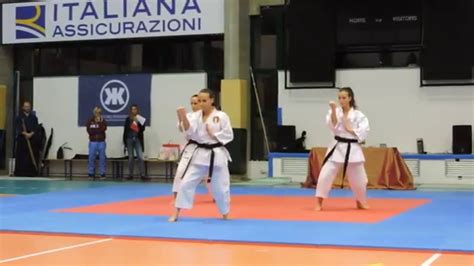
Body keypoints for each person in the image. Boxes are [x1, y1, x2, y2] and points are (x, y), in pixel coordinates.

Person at [169, 89, 234, 222]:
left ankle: (225, 213)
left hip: (216, 155)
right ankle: (176, 213)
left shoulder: (221, 116)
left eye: (204, 100)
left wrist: (214, 134)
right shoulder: (194, 116)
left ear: (212, 100)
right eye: (199, 101)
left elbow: (229, 135)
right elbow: (187, 130)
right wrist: (182, 116)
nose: (202, 103)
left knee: (221, 189)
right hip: (199, 155)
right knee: (185, 184)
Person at [314, 87, 370, 211]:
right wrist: (333, 110)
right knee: (325, 175)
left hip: (353, 149)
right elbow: (333, 124)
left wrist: (351, 129)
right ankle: (318, 202)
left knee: (359, 180)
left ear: (350, 98)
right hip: (337, 147)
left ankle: (360, 201)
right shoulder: (335, 112)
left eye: (344, 97)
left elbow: (364, 131)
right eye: (339, 98)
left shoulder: (358, 115)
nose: (341, 100)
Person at [172, 94, 213, 200]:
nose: (194, 105)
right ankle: (176, 197)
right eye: (192, 103)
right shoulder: (189, 116)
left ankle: (216, 195)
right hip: (191, 147)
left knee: (211, 175)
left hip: (207, 148)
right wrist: (181, 116)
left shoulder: (209, 116)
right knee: (180, 171)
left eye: (196, 103)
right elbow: (183, 129)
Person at [123, 104, 149, 181]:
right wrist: (125, 141)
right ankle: (130, 174)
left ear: (137, 110)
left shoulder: (140, 118)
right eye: (132, 109)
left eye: (135, 109)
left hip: (137, 139)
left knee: (140, 157)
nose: (134, 110)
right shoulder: (128, 119)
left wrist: (138, 123)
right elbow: (125, 130)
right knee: (130, 157)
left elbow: (142, 129)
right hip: (129, 139)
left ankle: (143, 174)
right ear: (130, 110)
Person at [14, 101, 40, 177]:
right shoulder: (19, 117)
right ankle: (20, 172)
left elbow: (36, 128)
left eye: (28, 106)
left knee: (31, 156)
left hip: (31, 140)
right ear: (23, 107)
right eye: (25, 106)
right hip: (22, 140)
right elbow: (18, 128)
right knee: (22, 157)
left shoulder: (34, 118)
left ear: (30, 107)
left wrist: (31, 134)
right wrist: (25, 133)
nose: (27, 108)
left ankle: (31, 172)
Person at [86, 107, 107, 180]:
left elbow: (103, 129)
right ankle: (91, 173)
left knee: (102, 158)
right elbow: (89, 131)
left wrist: (99, 123)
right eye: (96, 112)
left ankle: (102, 173)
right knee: (91, 158)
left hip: (101, 142)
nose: (98, 114)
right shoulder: (90, 121)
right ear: (94, 113)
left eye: (99, 112)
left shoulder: (103, 120)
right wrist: (98, 130)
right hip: (93, 142)